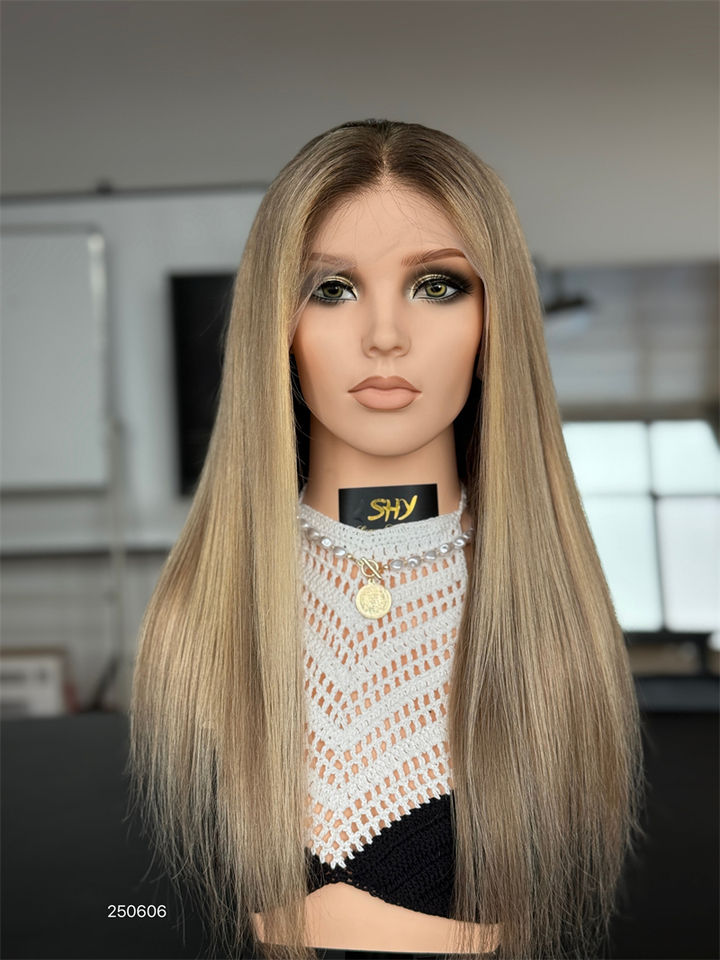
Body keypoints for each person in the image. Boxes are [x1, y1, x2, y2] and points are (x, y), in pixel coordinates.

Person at [127, 119, 647, 960]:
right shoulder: (193, 626)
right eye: (332, 289)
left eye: (437, 286)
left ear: (495, 323)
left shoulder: (557, 636)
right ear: (276, 328)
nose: (384, 336)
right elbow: (137, 913)